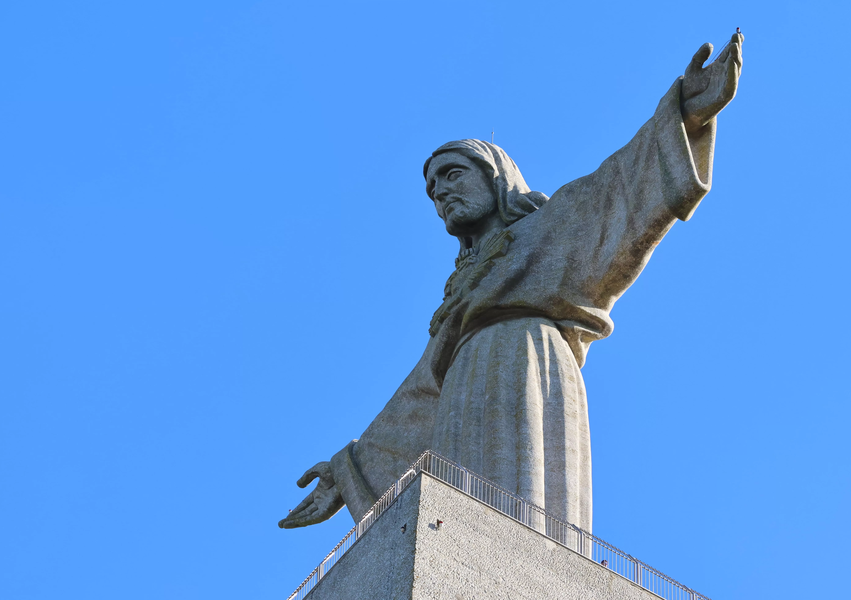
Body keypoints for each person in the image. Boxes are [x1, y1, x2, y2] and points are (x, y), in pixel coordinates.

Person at [280, 32, 744, 534]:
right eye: (433, 191)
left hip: (530, 364)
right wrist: (349, 470)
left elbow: (621, 188)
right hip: (465, 388)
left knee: (532, 525)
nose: (442, 195)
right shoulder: (460, 293)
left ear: (495, 177)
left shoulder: (550, 227)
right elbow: (420, 390)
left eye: (453, 175)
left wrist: (687, 112)